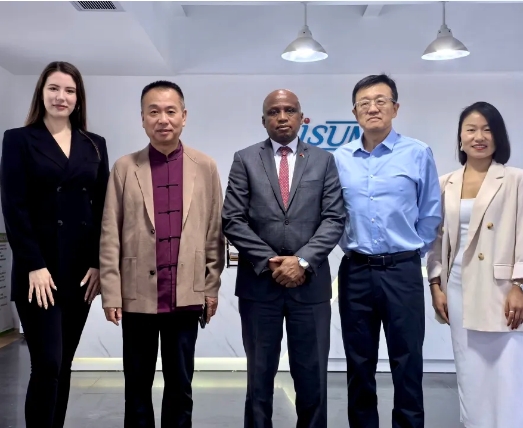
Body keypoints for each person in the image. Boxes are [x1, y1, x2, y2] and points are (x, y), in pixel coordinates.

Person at [99, 80, 225, 428]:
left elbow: (215, 232)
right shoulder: (125, 167)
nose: (163, 119)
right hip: (137, 295)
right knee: (137, 386)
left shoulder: (205, 166)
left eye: (171, 111)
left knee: (181, 386)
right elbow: (109, 234)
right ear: (142, 118)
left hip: (185, 294)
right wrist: (111, 292)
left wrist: (211, 287)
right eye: (153, 111)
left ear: (184, 116)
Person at [222, 89, 345, 428]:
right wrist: (271, 261)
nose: (282, 117)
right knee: (259, 377)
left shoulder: (323, 160)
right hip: (260, 286)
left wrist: (301, 261)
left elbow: (334, 218)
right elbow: (232, 219)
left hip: (310, 286)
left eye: (289, 110)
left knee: (312, 377)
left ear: (302, 118)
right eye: (273, 112)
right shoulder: (245, 159)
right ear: (263, 120)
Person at [0, 61, 110, 428]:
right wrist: (33, 264)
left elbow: (102, 208)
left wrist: (98, 263)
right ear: (41, 93)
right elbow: (13, 206)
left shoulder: (94, 144)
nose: (61, 96)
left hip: (80, 272)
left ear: (78, 98)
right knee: (46, 364)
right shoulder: (18, 139)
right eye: (54, 88)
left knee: (63, 365)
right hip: (39, 272)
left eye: (69, 90)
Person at [333, 74, 441, 428]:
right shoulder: (340, 158)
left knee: (407, 361)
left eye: (381, 101)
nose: (373, 108)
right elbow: (333, 214)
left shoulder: (417, 153)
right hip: (356, 272)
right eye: (364, 103)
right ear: (354, 113)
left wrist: (409, 252)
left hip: (402, 271)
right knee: (358, 363)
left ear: (395, 108)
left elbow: (430, 213)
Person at [427, 101, 523, 428]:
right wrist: (435, 284)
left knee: (507, 372)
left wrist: (519, 285)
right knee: (469, 372)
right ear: (460, 137)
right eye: (471, 129)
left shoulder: (515, 179)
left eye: (487, 129)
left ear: (499, 136)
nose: (479, 137)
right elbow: (436, 239)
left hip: (502, 290)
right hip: (458, 287)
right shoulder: (446, 182)